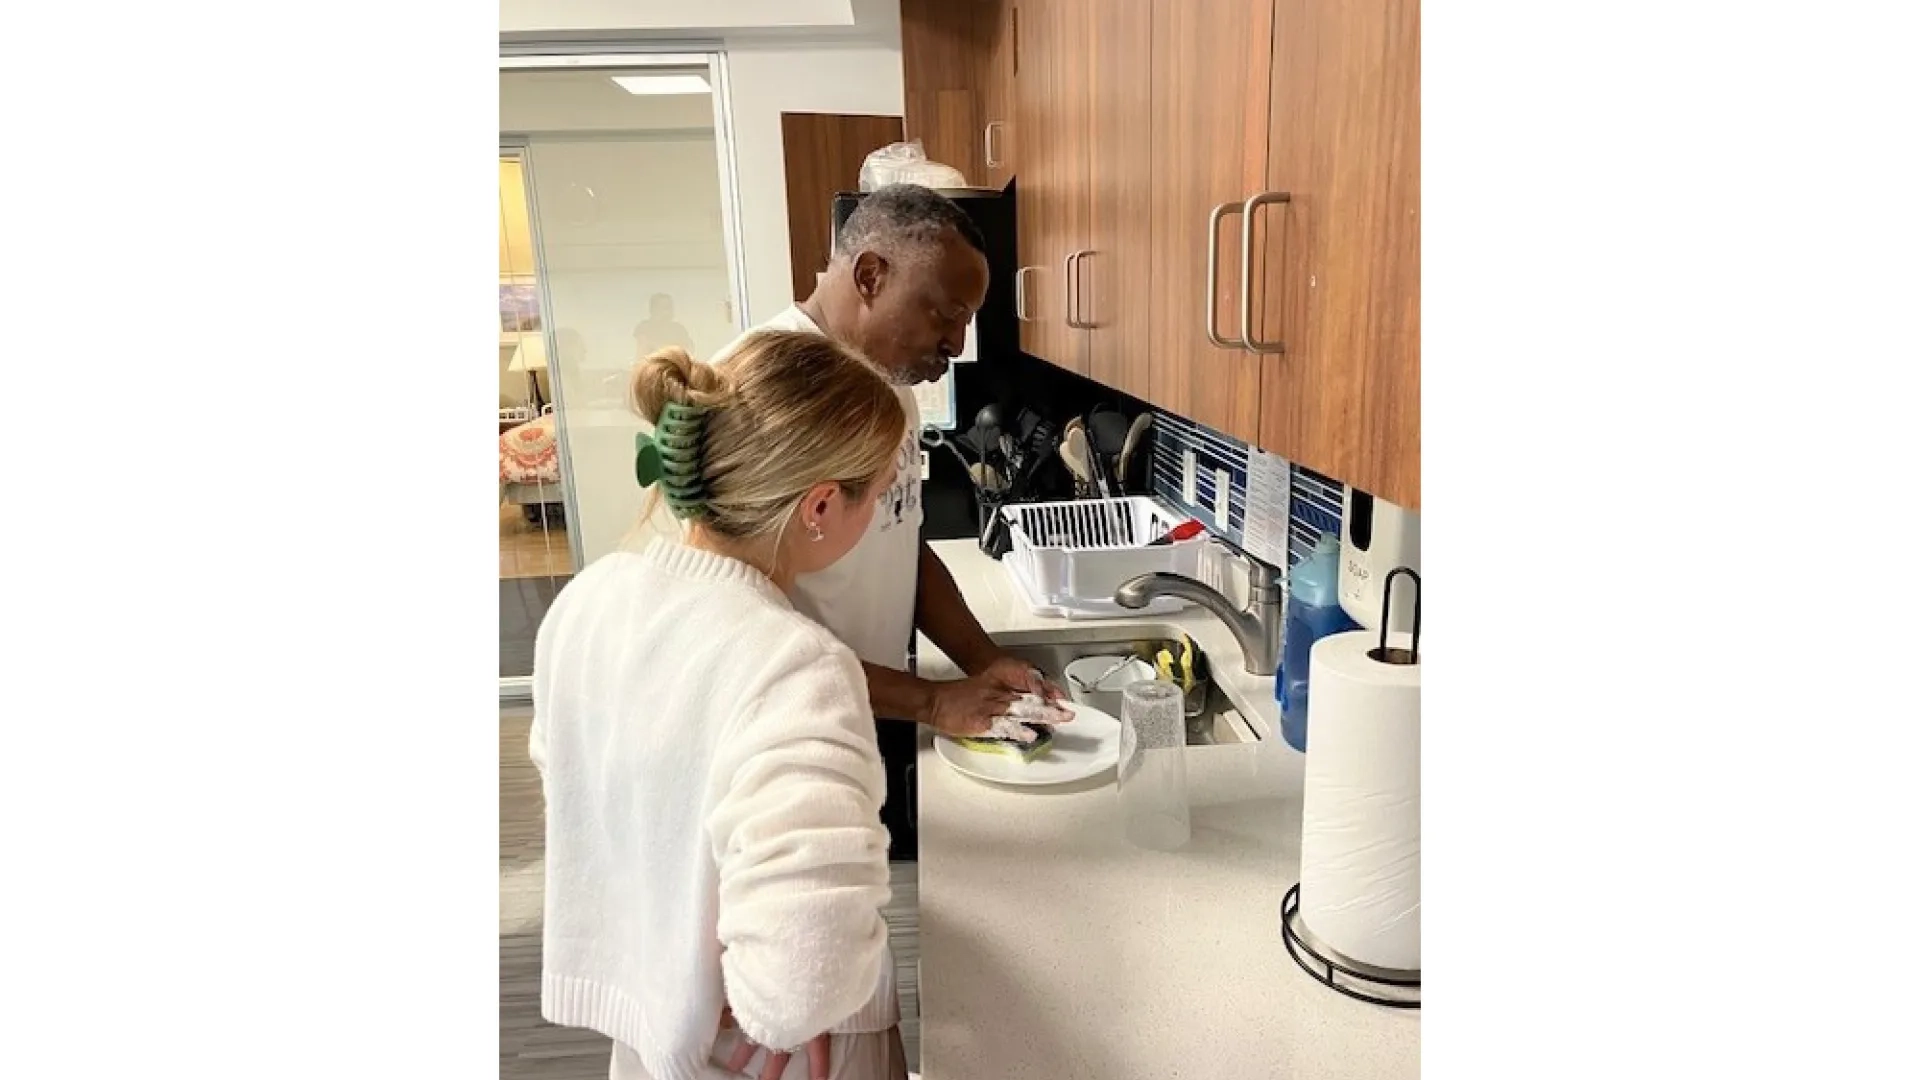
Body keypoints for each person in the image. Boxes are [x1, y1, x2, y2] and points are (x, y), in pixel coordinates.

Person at [531, 331, 912, 1080]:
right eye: (881, 491)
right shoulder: (795, 668)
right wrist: (766, 988)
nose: (882, 511)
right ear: (821, 505)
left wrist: (671, 953)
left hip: (649, 1035)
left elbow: (586, 801)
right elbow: (801, 986)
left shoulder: (589, 600)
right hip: (780, 1059)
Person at [713, 185, 1062, 856]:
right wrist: (933, 703)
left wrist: (984, 664)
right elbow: (744, 638)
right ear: (871, 276)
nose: (958, 344)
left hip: (864, 705)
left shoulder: (890, 391)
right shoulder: (763, 393)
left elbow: (903, 538)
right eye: (947, 314)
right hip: (785, 746)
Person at [634, 292, 697, 359]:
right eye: (664, 307)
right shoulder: (645, 327)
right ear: (653, 309)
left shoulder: (678, 329)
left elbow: (689, 349)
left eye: (670, 307)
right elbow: (642, 351)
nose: (668, 311)